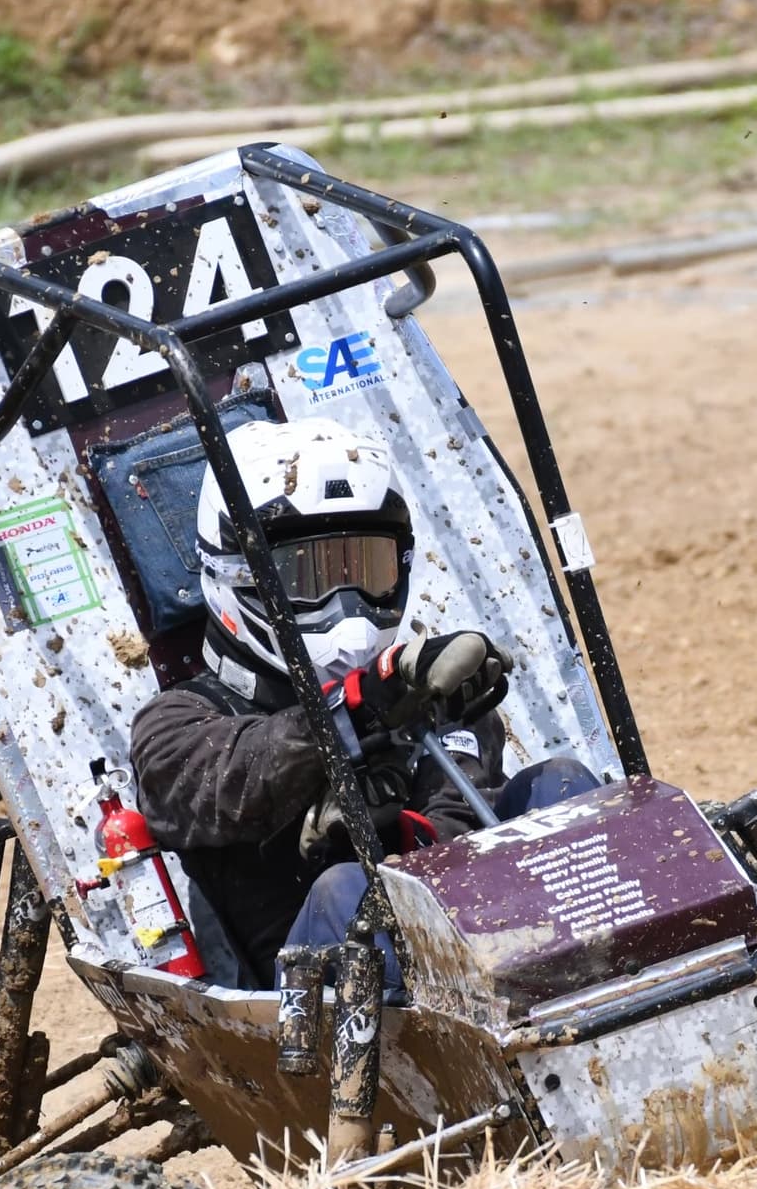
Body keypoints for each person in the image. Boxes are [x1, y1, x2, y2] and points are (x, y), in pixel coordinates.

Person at [128, 417, 594, 983]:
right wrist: (361, 707)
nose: (345, 602)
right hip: (299, 1023)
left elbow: (462, 836)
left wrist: (401, 823)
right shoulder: (176, 723)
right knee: (349, 890)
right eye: (308, 573)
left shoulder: (420, 692)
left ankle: (632, 985)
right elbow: (243, 773)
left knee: (562, 784)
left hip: (475, 969)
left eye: (365, 569)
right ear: (238, 575)